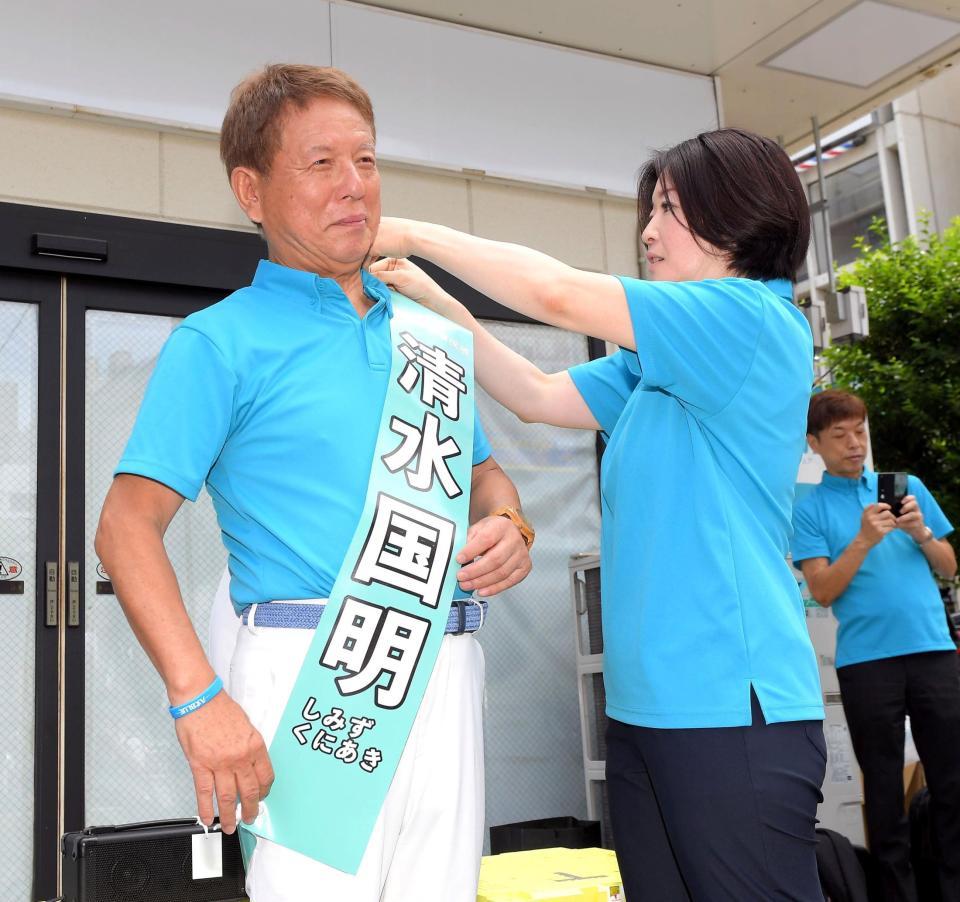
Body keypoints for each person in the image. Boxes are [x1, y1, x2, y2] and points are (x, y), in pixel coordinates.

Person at [94, 64, 533, 902]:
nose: (354, 187)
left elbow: (485, 475)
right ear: (251, 191)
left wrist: (512, 521)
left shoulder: (428, 338)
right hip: (314, 677)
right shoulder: (219, 341)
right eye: (321, 163)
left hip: (447, 664)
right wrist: (198, 701)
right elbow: (124, 526)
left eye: (366, 161)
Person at [369, 127, 826, 901]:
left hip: (730, 708)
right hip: (646, 713)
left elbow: (555, 294)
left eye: (671, 208)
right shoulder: (660, 363)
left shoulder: (746, 319)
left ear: (738, 211)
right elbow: (536, 396)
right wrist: (432, 297)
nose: (648, 230)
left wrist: (414, 230)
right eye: (648, 210)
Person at [792, 389, 959, 902]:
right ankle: (897, 895)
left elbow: (950, 567)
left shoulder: (909, 489)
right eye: (839, 435)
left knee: (953, 784)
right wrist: (863, 539)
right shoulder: (809, 507)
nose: (854, 443)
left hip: (934, 651)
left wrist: (922, 532)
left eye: (860, 430)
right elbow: (820, 589)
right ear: (814, 444)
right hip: (867, 663)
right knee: (884, 793)